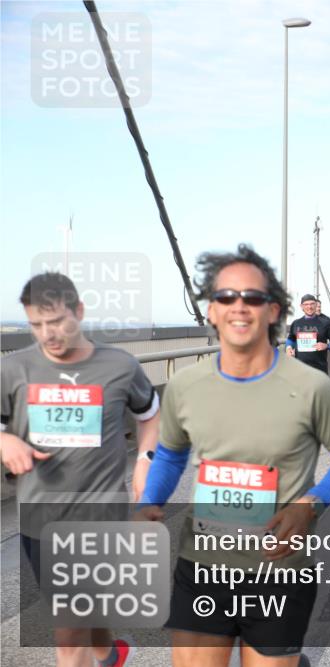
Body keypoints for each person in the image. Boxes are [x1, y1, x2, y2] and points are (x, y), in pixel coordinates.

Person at [135, 245, 330, 666]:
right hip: (202, 566)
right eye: (226, 297)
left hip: (279, 571)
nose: (238, 307)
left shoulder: (312, 388)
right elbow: (169, 456)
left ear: (274, 311)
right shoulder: (186, 386)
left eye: (252, 297)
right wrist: (149, 502)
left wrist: (309, 505)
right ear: (211, 310)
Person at [1, 272, 159, 667]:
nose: (47, 334)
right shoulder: (13, 368)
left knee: (69, 633)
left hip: (102, 515)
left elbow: (150, 415)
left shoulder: (120, 366)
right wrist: (5, 439)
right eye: (36, 324)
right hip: (40, 515)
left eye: (56, 322)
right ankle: (109, 653)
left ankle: (98, 655)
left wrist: (144, 460)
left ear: (79, 312)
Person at [285, 294, 330, 376]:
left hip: (319, 369)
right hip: (299, 368)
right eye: (306, 304)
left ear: (316, 305)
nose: (309, 307)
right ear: (301, 306)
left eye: (312, 304)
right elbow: (290, 340)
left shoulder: (325, 323)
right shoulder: (296, 323)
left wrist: (327, 346)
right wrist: (288, 347)